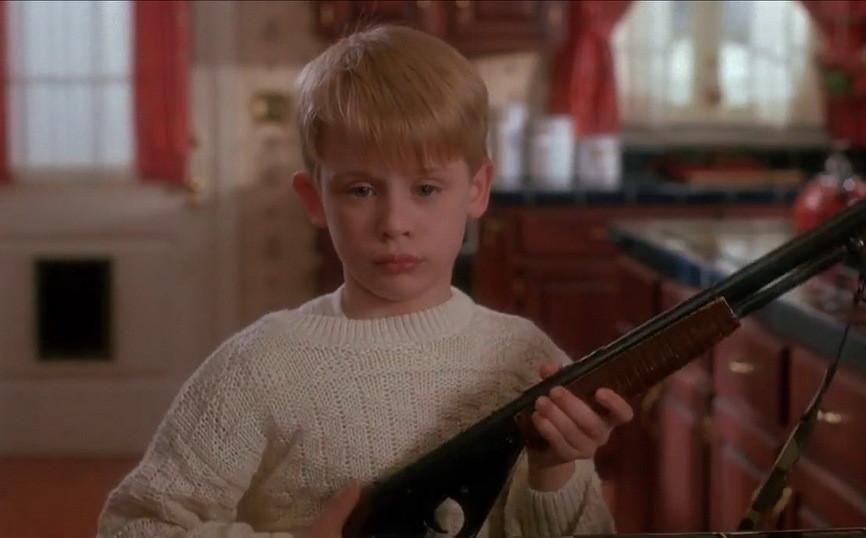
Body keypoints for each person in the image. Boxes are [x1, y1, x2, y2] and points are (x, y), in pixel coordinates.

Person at [98, 24, 634, 538]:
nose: (394, 223)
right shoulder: (261, 366)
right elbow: (136, 525)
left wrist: (555, 470)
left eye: (426, 189)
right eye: (360, 190)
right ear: (314, 200)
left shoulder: (526, 357)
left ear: (477, 189)